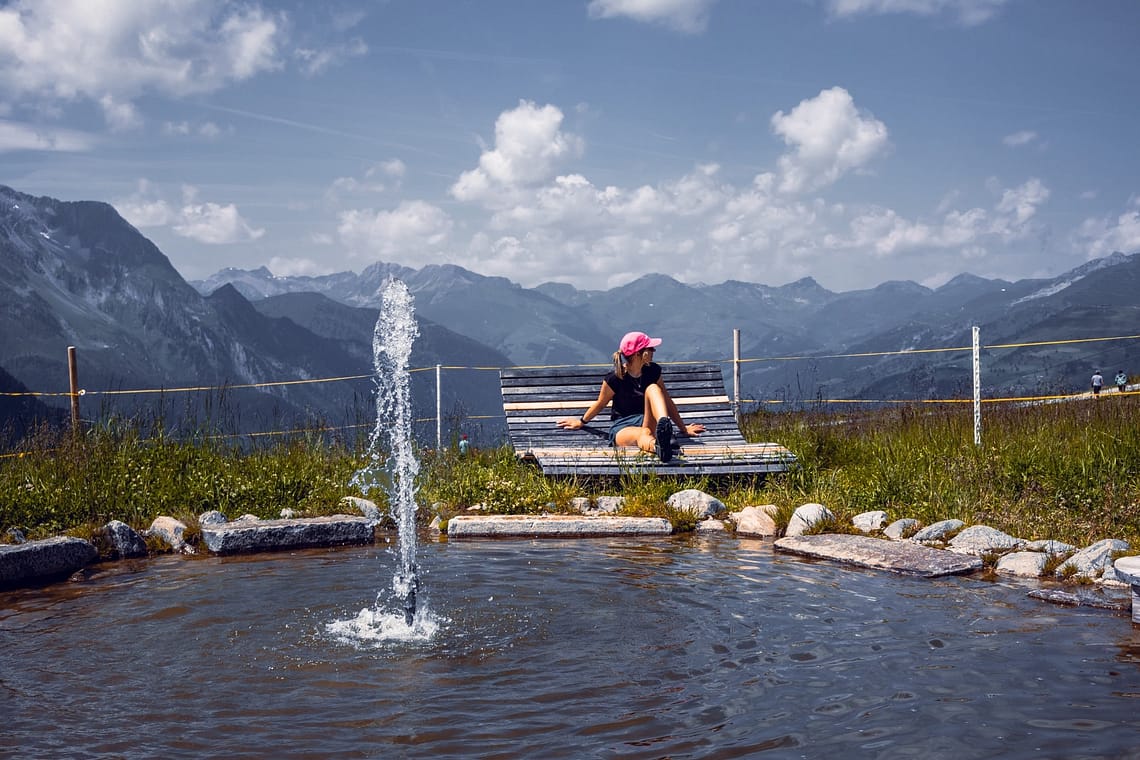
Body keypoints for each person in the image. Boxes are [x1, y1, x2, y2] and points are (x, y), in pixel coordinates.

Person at [556, 331, 705, 462]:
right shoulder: (615, 378)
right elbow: (600, 404)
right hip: (623, 426)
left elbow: (666, 400)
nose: (654, 350)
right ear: (639, 353)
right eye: (650, 348)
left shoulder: (653, 371)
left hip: (646, 419)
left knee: (653, 389)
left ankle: (664, 424)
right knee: (642, 434)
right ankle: (660, 447)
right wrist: (581, 422)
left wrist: (683, 428)